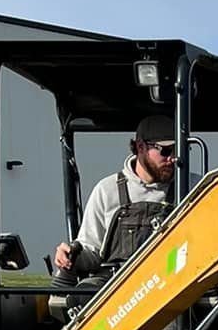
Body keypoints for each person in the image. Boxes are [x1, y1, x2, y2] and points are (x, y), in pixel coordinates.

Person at [54, 113, 180, 276]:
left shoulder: (194, 188)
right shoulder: (107, 190)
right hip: (116, 288)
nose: (172, 158)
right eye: (166, 150)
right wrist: (71, 255)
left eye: (178, 150)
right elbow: (91, 250)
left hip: (174, 282)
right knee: (79, 297)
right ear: (140, 147)